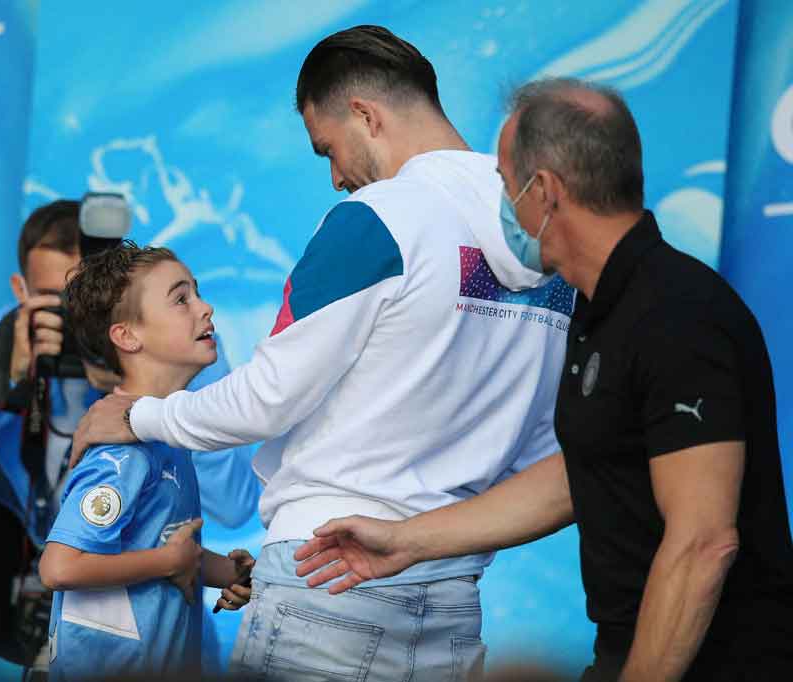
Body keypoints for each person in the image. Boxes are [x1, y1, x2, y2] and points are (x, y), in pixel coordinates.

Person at [68, 26, 575, 680]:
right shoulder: (548, 241)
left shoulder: (378, 217)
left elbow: (265, 399)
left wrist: (139, 416)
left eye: (327, 150)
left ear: (365, 114)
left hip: (326, 579)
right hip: (453, 597)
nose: (337, 177)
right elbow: (543, 452)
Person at [294, 78, 793, 681]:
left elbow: (704, 543)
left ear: (544, 193)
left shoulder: (678, 314)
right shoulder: (597, 309)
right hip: (628, 648)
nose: (500, 205)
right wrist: (407, 541)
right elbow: (580, 474)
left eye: (504, 186)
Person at [0, 199, 261, 679]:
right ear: (20, 290)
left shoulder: (178, 351)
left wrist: (159, 401)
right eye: (58, 302)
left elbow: (236, 505)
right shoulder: (1, 335)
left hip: (138, 613)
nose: (75, 323)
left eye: (87, 305)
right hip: (20, 575)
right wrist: (2, 375)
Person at [40, 242, 256, 680]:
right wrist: (168, 564)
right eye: (181, 299)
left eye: (197, 292)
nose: (206, 307)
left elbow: (160, 546)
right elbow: (60, 566)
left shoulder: (166, 436)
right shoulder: (122, 448)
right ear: (127, 336)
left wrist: (231, 572)